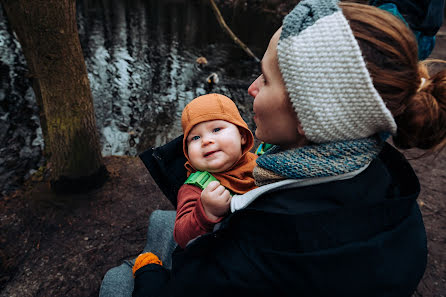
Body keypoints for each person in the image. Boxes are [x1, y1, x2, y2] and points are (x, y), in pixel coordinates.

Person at [99, 0, 446, 296]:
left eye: (265, 78)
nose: (251, 88)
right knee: (163, 221)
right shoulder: (387, 176)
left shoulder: (263, 242)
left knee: (117, 278)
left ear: (310, 114)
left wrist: (148, 273)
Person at [173, 93, 257, 248]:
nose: (206, 141)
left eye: (216, 129)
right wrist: (206, 211)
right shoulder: (195, 188)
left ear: (243, 136)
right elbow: (181, 237)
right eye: (195, 138)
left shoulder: (262, 162)